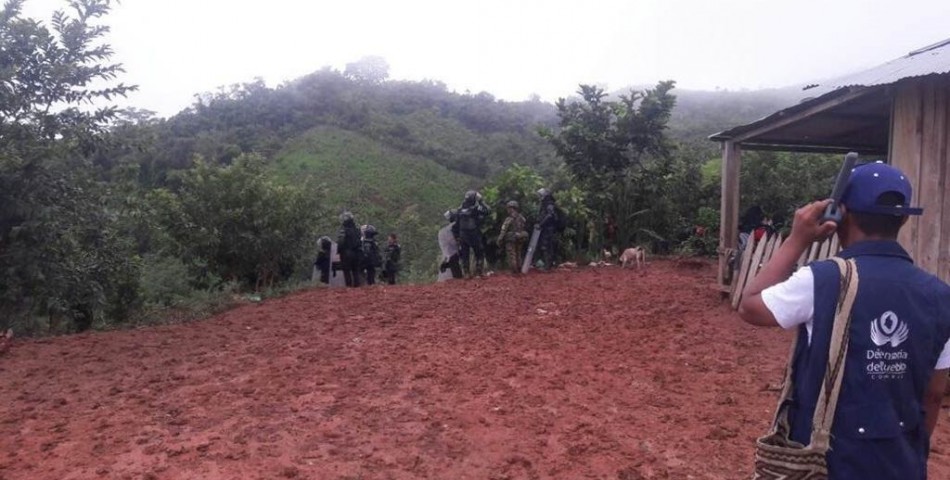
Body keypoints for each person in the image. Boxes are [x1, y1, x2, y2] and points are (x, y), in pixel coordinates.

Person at [738, 162, 950, 479]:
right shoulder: (940, 295)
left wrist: (798, 239)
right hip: (901, 462)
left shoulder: (821, 281)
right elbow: (933, 394)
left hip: (828, 464)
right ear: (905, 218)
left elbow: (750, 306)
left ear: (839, 215)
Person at [455, 190, 489, 278]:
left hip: (463, 234)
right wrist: (481, 201)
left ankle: (466, 273)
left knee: (465, 253)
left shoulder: (459, 210)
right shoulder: (475, 209)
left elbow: (456, 224)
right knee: (479, 252)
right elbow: (487, 210)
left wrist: (457, 237)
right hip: (473, 233)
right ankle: (479, 272)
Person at [496, 200, 528, 274]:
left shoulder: (509, 219)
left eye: (508, 208)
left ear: (511, 208)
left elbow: (504, 230)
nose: (507, 210)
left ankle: (514, 270)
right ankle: (519, 268)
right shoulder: (522, 218)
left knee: (511, 254)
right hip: (520, 237)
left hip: (511, 238)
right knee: (518, 253)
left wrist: (500, 239)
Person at [336, 212, 362, 287]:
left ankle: (349, 287)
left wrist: (339, 250)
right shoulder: (357, 229)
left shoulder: (344, 230)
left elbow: (341, 242)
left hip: (346, 253)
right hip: (357, 253)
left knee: (346, 271)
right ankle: (357, 286)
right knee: (355, 271)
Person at [536, 188, 559, 270]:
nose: (539, 197)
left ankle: (547, 266)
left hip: (548, 229)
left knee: (546, 246)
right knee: (547, 246)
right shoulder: (546, 203)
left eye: (540, 195)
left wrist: (541, 224)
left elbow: (550, 215)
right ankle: (549, 264)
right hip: (546, 228)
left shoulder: (549, 204)